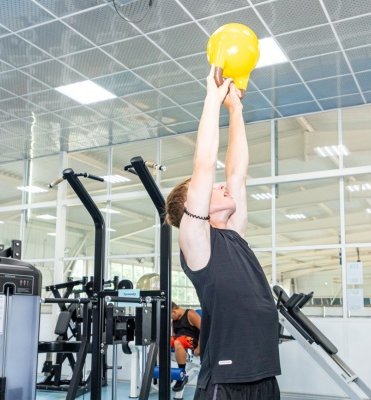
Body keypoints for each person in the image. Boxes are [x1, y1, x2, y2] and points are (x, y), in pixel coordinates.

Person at [165, 66, 281, 400]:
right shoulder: (198, 243)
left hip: (264, 373)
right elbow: (204, 164)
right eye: (208, 188)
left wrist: (236, 110)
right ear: (193, 203)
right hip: (227, 381)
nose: (219, 185)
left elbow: (237, 172)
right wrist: (212, 100)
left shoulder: (234, 234)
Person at [170, 302, 201, 392]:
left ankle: (182, 375)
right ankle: (164, 370)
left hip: (192, 340)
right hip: (179, 339)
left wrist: (199, 347)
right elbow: (174, 335)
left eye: (171, 316)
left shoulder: (190, 314)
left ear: (174, 312)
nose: (171, 319)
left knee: (178, 342)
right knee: (162, 342)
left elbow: (204, 330)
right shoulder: (174, 320)